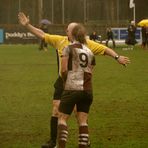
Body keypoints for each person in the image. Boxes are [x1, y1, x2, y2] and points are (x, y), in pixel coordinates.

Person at [18, 12, 130, 148]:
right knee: (55, 109)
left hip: (76, 82)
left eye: (68, 29)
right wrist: (28, 26)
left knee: (78, 114)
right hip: (62, 81)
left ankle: (84, 141)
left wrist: (117, 57)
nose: (66, 31)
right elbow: (42, 34)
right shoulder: (60, 40)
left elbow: (105, 49)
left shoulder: (87, 44)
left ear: (74, 32)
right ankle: (53, 142)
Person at [58, 23, 95, 148]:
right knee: (83, 121)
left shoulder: (68, 48)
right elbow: (91, 72)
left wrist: (65, 81)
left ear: (72, 34)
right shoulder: (90, 52)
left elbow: (63, 70)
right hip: (88, 90)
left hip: (72, 88)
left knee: (62, 118)